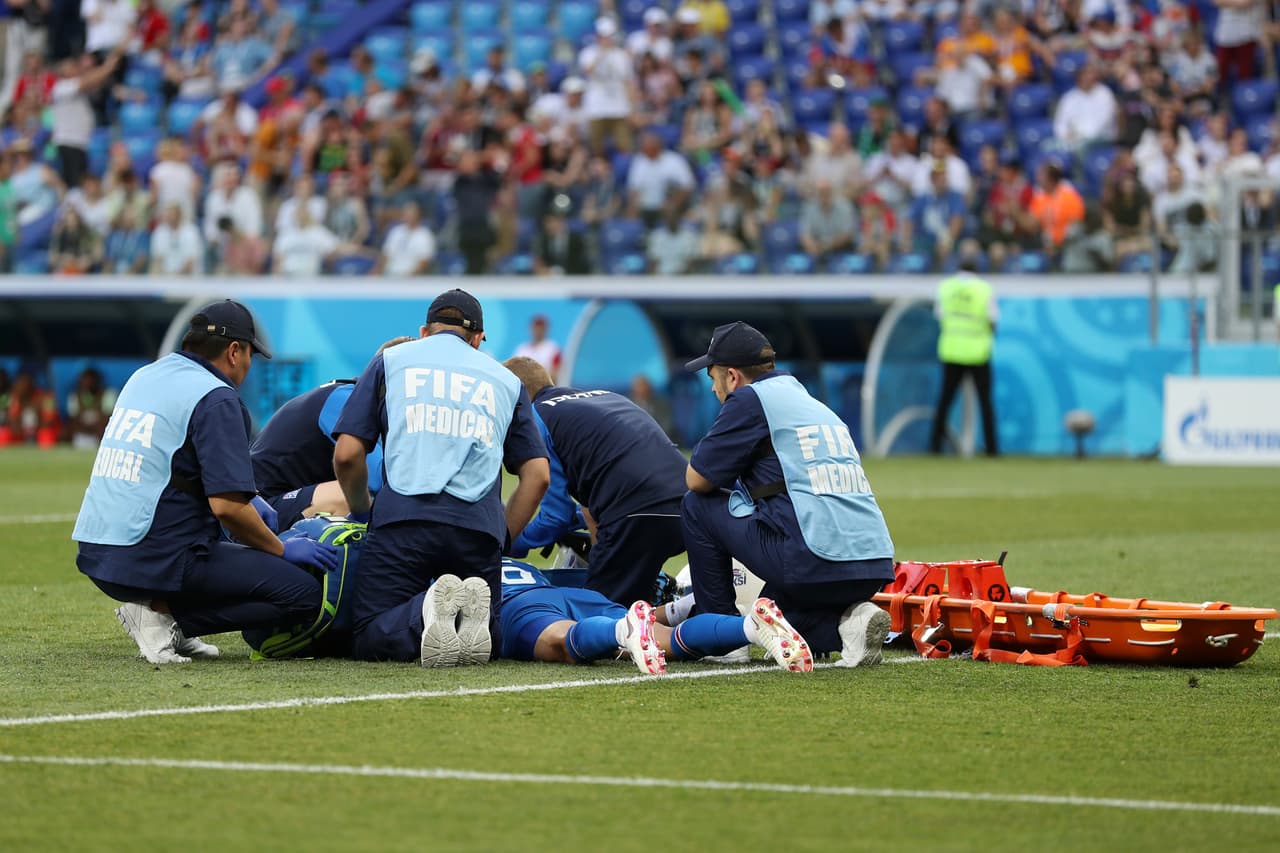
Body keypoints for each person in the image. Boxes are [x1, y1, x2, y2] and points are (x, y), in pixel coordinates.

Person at [73, 300, 340, 664]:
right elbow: (228, 508)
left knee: (223, 538)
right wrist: (280, 549)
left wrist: (253, 499)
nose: (249, 366)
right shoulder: (217, 397)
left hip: (96, 550)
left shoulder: (145, 375)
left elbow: (175, 466)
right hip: (149, 557)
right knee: (303, 594)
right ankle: (166, 618)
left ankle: (159, 613)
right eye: (249, 355)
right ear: (234, 351)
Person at [332, 289, 550, 664]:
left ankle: (424, 612)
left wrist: (362, 511)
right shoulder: (505, 380)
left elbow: (348, 454)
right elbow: (538, 476)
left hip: (403, 519)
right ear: (478, 339)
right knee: (485, 637)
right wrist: (504, 537)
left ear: (423, 331)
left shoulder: (392, 361)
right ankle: (461, 616)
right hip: (477, 528)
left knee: (369, 631)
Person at [680, 322, 895, 666]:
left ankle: (721, 638)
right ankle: (847, 625)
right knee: (772, 623)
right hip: (873, 564)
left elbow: (697, 479)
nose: (712, 390)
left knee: (696, 506)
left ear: (732, 376)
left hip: (814, 559)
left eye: (712, 378)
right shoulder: (807, 400)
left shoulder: (750, 400)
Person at [503, 357, 687, 606]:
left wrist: (510, 543)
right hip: (685, 506)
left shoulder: (537, 416)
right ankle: (684, 611)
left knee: (598, 617)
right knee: (632, 607)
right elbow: (593, 503)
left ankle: (695, 617)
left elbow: (554, 517)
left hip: (636, 515)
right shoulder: (605, 398)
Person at [497, 560, 813, 674]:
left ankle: (622, 631)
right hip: (568, 593)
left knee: (560, 643)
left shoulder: (461, 560)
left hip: (515, 603)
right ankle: (750, 627)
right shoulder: (497, 553)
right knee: (663, 640)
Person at [250, 337, 411, 531]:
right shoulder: (344, 399)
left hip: (285, 501)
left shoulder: (358, 400)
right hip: (261, 508)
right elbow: (380, 479)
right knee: (355, 493)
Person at [928, 260, 999, 456]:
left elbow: (939, 315)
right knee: (985, 403)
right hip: (978, 352)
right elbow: (992, 320)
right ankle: (992, 450)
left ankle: (934, 447)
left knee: (945, 401)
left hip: (951, 351)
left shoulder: (945, 287)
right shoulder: (984, 288)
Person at [65, 366, 116, 450]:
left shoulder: (108, 395)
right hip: (81, 433)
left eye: (90, 380)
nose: (88, 383)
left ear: (97, 381)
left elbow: (109, 418)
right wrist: (86, 428)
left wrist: (95, 428)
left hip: (100, 435)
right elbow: (73, 419)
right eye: (84, 380)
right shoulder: (75, 397)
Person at [510, 315, 562, 380]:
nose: (538, 330)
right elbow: (512, 370)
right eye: (536, 328)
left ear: (546, 329)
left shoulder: (553, 348)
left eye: (541, 328)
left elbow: (556, 372)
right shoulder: (522, 349)